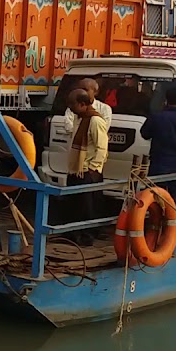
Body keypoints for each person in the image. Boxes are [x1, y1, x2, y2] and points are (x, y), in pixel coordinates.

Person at [65, 89, 109, 246]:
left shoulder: (95, 121)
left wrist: (93, 169)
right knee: (74, 204)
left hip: (87, 171)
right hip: (76, 169)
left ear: (82, 104)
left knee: (88, 206)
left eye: (72, 104)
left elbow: (102, 147)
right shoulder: (80, 118)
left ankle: (87, 236)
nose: (70, 108)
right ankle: (74, 234)